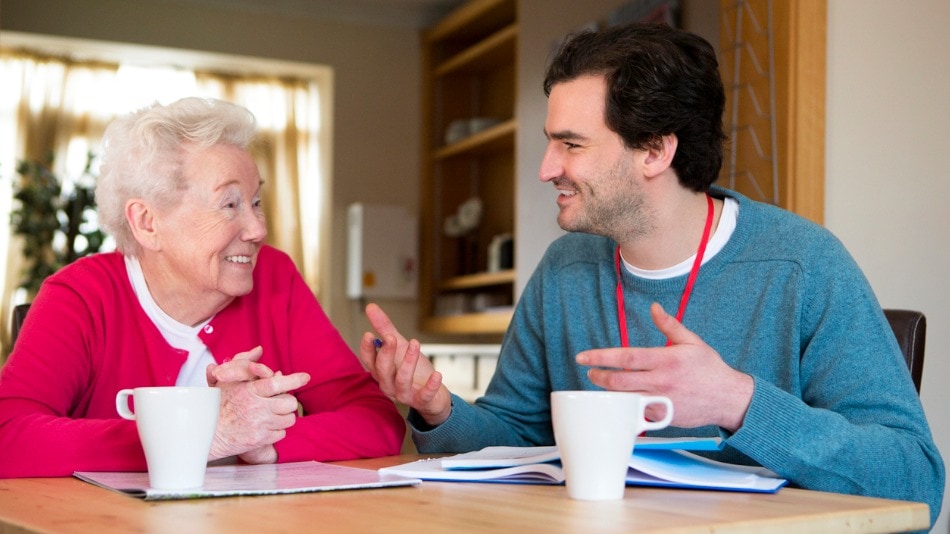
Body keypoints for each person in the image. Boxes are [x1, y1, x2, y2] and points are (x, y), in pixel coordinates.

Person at [358, 22, 945, 526]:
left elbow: (915, 481)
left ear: (655, 151)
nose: (545, 169)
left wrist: (737, 400)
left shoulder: (804, 265)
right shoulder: (565, 269)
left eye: (572, 145)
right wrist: (438, 409)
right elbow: (518, 440)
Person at [0, 97, 405, 477]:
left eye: (256, 201)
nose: (258, 229)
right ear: (147, 222)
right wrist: (195, 434)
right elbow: (8, 436)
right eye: (230, 204)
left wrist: (264, 445)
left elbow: (376, 419)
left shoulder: (274, 278)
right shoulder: (81, 296)